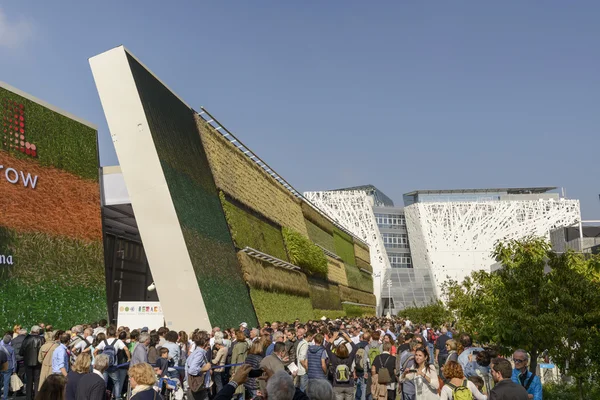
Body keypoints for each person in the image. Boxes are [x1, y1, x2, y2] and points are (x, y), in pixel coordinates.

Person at [94, 326, 131, 400]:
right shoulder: (118, 341)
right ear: (115, 333)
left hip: (104, 365)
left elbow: (95, 351)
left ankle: (102, 396)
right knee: (116, 382)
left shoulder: (103, 342)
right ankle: (117, 397)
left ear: (107, 333)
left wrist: (98, 359)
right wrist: (129, 358)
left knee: (104, 382)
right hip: (113, 366)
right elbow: (126, 349)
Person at [325, 331, 358, 400]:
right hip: (349, 384)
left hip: (337, 384)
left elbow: (327, 348)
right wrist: (347, 337)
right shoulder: (349, 358)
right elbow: (355, 348)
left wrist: (334, 337)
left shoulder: (334, 358)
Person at [185, 331, 212, 400]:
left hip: (195, 388)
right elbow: (192, 370)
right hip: (197, 389)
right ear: (205, 342)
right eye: (208, 342)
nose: (209, 344)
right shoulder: (199, 354)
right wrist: (204, 368)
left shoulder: (196, 352)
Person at [20, 326, 43, 400]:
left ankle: (28, 397)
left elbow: (21, 352)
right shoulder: (41, 339)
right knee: (37, 380)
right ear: (38, 331)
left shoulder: (26, 339)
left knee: (29, 381)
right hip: (38, 362)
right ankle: (37, 396)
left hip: (27, 362)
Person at [231, 330, 249, 399]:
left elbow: (233, 360)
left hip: (237, 368)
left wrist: (232, 371)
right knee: (243, 388)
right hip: (245, 367)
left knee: (236, 388)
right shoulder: (246, 344)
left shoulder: (236, 346)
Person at [0, 334, 16, 400]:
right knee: (6, 383)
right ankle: (5, 397)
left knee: (0, 381)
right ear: (10, 341)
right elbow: (14, 360)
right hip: (8, 366)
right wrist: (14, 369)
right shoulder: (11, 349)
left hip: (1, 365)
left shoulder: (0, 347)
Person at [295, 327, 309, 392]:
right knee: (303, 389)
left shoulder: (301, 342)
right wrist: (306, 368)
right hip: (303, 370)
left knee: (300, 387)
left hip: (300, 369)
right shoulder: (305, 344)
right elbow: (301, 359)